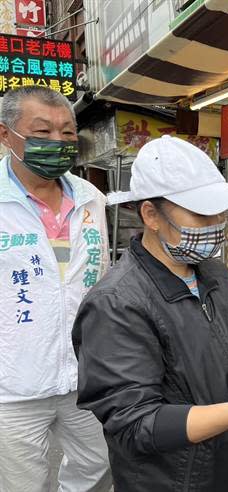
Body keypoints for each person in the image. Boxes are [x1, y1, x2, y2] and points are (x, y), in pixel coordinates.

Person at [72, 136, 228, 492]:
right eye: (201, 213)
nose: (217, 223)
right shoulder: (116, 304)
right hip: (170, 482)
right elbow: (135, 424)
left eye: (220, 211)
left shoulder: (214, 274)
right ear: (151, 214)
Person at [0, 87, 111, 491]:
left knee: (98, 467)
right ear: (5, 135)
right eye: (42, 131)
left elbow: (101, 281)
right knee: (21, 484)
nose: (58, 143)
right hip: (12, 385)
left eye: (67, 133)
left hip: (87, 374)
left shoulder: (91, 199)